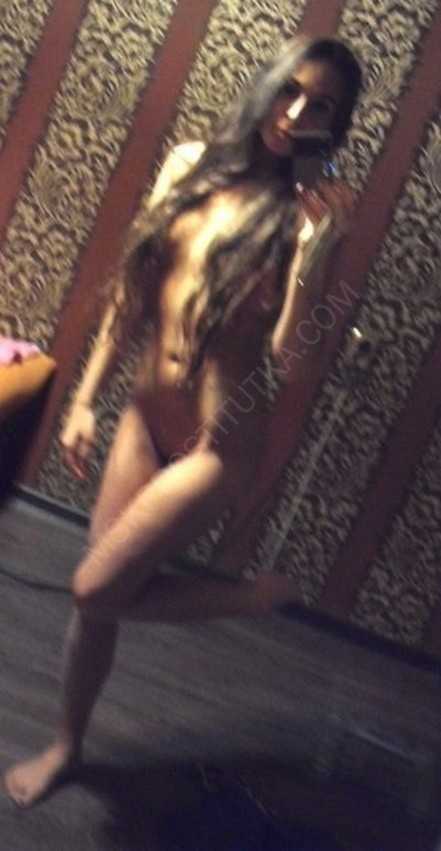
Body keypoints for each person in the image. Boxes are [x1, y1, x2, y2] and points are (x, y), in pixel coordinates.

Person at [3, 35, 362, 807]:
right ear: (267, 85)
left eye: (320, 107)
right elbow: (131, 297)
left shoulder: (307, 218)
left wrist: (310, 260)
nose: (294, 114)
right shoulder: (190, 166)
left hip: (216, 442)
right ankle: (67, 744)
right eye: (290, 90)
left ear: (333, 127)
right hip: (143, 414)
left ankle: (250, 598)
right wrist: (84, 399)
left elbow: (289, 359)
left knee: (92, 588)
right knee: (99, 605)